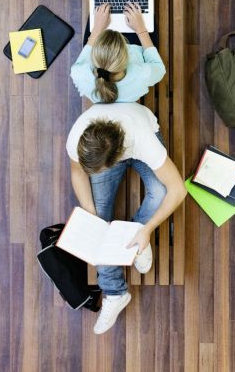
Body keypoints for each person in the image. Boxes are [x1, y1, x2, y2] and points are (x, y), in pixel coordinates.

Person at [66, 101, 187, 334]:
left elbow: (177, 189)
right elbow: (76, 172)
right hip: (113, 147)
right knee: (99, 221)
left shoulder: (144, 141)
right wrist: (91, 214)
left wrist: (147, 228)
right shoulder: (78, 139)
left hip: (138, 139)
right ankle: (114, 292)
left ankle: (137, 236)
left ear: (112, 162)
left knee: (160, 192)